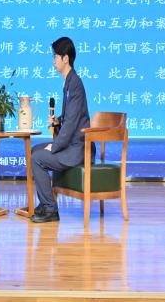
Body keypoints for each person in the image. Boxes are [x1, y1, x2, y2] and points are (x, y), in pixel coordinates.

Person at [30, 36, 93, 223]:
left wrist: (55, 146)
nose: (53, 60)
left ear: (65, 58)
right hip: (71, 144)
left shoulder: (75, 84)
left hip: (78, 148)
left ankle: (50, 209)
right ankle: (45, 203)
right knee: (35, 150)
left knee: (37, 158)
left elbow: (72, 124)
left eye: (55, 56)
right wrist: (58, 121)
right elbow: (70, 118)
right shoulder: (69, 82)